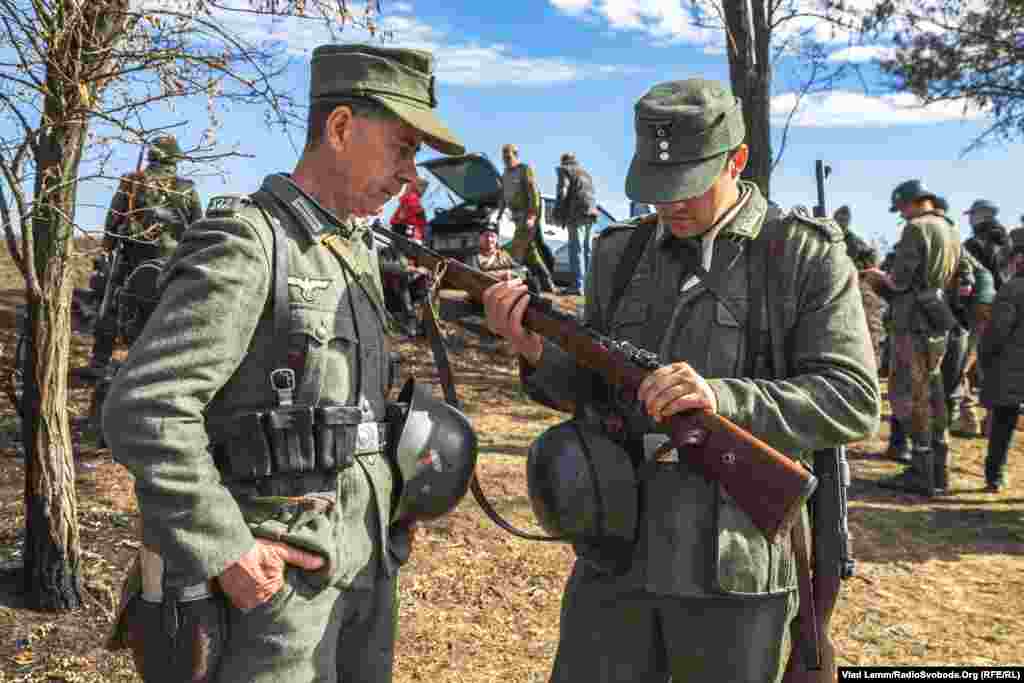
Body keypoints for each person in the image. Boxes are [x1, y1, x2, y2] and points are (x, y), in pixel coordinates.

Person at [482, 78, 879, 683]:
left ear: (737, 160)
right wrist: (535, 349)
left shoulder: (801, 255)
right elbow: (595, 388)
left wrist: (723, 397)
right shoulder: (620, 253)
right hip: (618, 545)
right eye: (657, 186)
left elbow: (851, 398)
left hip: (733, 563)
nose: (671, 203)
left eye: (689, 184)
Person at [102, 44, 464, 682]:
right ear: (341, 128)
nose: (411, 174)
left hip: (362, 566)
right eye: (402, 149)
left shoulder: (351, 249)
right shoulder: (251, 244)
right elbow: (148, 409)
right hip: (273, 594)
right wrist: (226, 549)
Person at [87, 134, 203, 374]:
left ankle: (99, 362)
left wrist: (106, 250)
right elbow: (197, 228)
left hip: (132, 258)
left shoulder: (132, 181)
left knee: (112, 304)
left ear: (151, 156)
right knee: (171, 311)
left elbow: (113, 220)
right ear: (175, 159)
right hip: (172, 264)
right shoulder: (187, 189)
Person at [872, 179, 960, 497]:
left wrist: (877, 278)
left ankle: (922, 471)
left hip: (912, 323)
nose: (902, 214)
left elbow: (899, 281)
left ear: (911, 202)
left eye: (901, 208)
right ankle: (940, 470)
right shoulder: (949, 228)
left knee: (911, 395)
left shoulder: (916, 228)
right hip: (937, 318)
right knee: (935, 393)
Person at [979, 243, 1024, 492]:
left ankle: (994, 476)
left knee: (1004, 422)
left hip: (1011, 366)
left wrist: (985, 358)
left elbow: (997, 331)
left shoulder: (1012, 289)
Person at [501, 143, 557, 293]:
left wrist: (532, 216)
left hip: (527, 215)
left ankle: (512, 283)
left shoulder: (524, 169)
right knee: (530, 252)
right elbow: (503, 195)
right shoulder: (505, 174)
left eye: (508, 157)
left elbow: (533, 193)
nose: (506, 160)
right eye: (504, 157)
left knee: (516, 249)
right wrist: (499, 214)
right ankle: (548, 284)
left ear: (516, 155)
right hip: (516, 217)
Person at [554, 152, 598, 295]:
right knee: (587, 252)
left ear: (564, 162)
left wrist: (558, 212)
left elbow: (563, 191)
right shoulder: (585, 173)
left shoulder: (564, 170)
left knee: (576, 250)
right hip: (592, 213)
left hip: (577, 214)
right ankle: (589, 288)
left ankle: (577, 286)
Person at [964, 199, 1010, 290]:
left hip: (984, 293)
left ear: (982, 215)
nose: (969, 219)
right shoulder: (1007, 239)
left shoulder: (974, 243)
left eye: (972, 214)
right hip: (1006, 291)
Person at [833, 204, 877, 269]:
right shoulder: (828, 236)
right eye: (840, 219)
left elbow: (870, 253)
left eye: (844, 220)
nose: (841, 223)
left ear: (848, 221)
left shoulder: (853, 238)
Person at [390, 176, 429, 242]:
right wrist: (423, 220)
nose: (424, 191)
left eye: (425, 188)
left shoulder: (409, 195)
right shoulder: (412, 196)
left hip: (400, 225)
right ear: (416, 185)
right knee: (403, 243)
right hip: (404, 227)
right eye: (423, 186)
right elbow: (417, 210)